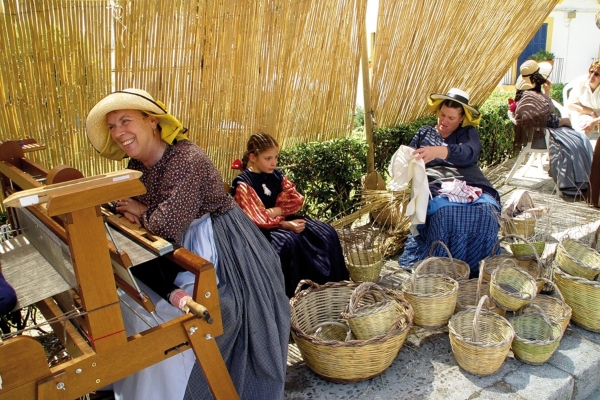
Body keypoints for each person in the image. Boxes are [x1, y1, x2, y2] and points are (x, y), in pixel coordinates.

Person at [85, 89, 289, 400]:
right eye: (112, 126)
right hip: (185, 244)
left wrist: (143, 212)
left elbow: (165, 224)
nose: (118, 132)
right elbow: (133, 208)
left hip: (224, 244)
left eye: (125, 121)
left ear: (152, 121)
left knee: (228, 314)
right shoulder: (139, 166)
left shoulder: (186, 159)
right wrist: (137, 212)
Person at [396, 88, 501, 277]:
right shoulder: (424, 133)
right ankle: (442, 266)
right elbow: (408, 155)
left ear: (461, 118)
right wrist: (406, 160)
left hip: (472, 181)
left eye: (451, 118)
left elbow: (469, 152)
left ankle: (478, 266)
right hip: (437, 183)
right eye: (442, 115)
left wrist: (438, 151)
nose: (444, 121)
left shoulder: (468, 133)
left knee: (487, 212)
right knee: (445, 212)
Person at [230, 132, 349, 297]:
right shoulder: (244, 183)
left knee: (325, 231)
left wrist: (277, 211)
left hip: (283, 218)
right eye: (268, 158)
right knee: (289, 243)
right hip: (262, 230)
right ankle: (297, 297)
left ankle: (332, 288)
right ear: (253, 157)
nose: (274, 162)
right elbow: (256, 217)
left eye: (276, 157)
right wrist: (284, 224)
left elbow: (294, 199)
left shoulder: (277, 175)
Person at [512, 60, 593, 200]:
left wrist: (547, 91)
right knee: (575, 143)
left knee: (582, 139)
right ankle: (576, 184)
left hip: (549, 130)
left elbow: (543, 112)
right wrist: (561, 121)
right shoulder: (529, 97)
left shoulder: (533, 94)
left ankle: (586, 181)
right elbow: (535, 119)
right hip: (541, 135)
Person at [566, 61, 600, 137]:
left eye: (597, 74)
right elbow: (571, 104)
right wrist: (591, 112)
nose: (592, 75)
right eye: (591, 71)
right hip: (585, 113)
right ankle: (582, 147)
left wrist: (595, 121)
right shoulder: (581, 82)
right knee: (584, 126)